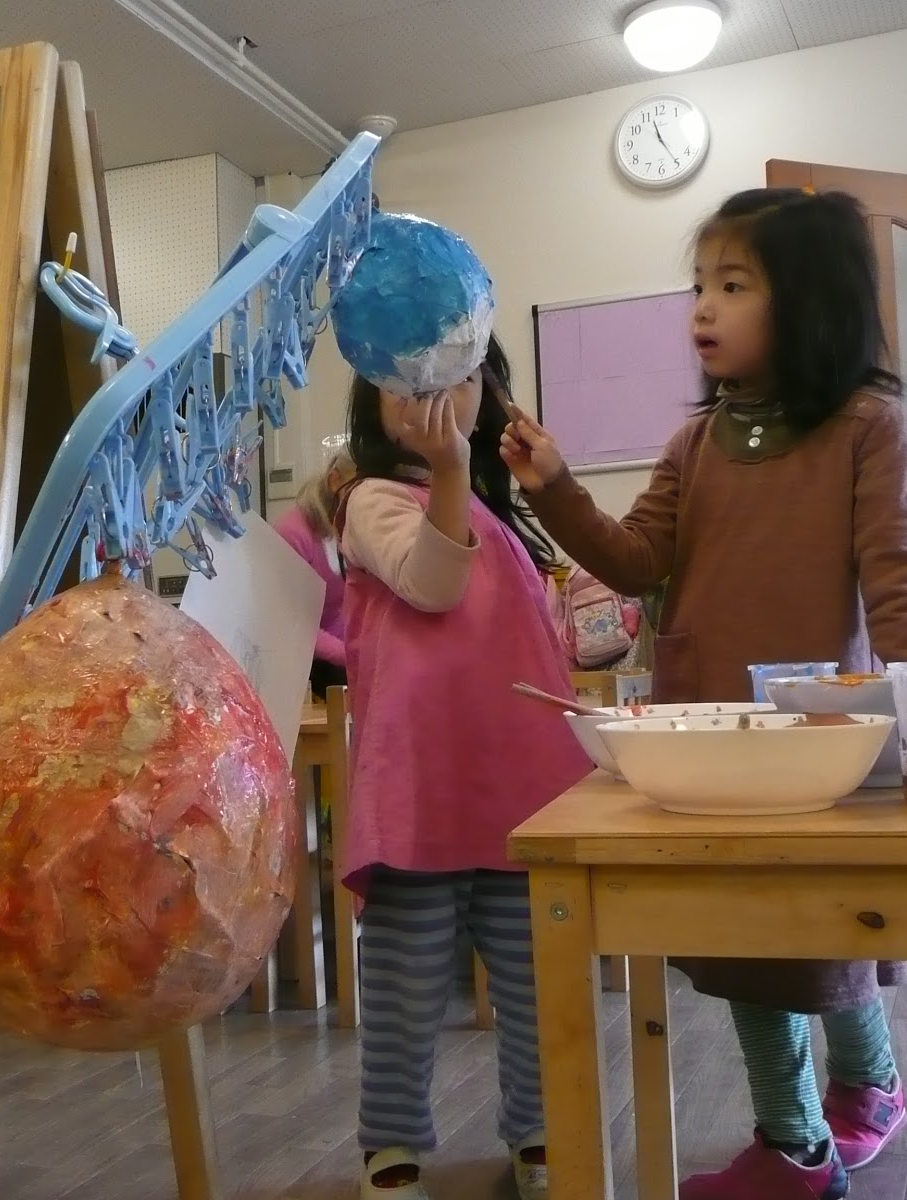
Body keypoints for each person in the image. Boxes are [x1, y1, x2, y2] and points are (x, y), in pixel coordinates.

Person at [499, 189, 907, 1199]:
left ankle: (806, 1142)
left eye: (732, 285)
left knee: (811, 934)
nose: (701, 306)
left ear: (808, 301)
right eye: (699, 284)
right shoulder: (696, 443)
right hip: (702, 738)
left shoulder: (864, 426)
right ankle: (837, 1111)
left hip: (816, 745)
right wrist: (556, 484)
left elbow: (896, 578)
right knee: (756, 940)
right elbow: (633, 557)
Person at [337, 331, 590, 1200]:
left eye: (457, 377)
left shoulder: (494, 510)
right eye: (403, 379)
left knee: (536, 979)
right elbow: (432, 584)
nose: (433, 394)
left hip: (517, 783)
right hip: (420, 790)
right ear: (370, 403)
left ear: (491, 393)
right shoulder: (374, 499)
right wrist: (449, 473)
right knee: (405, 986)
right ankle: (392, 1140)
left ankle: (544, 1131)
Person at [271, 446, 355, 697]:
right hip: (303, 659)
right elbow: (291, 625)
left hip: (341, 650)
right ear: (335, 480)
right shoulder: (293, 533)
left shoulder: (355, 526)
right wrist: (351, 655)